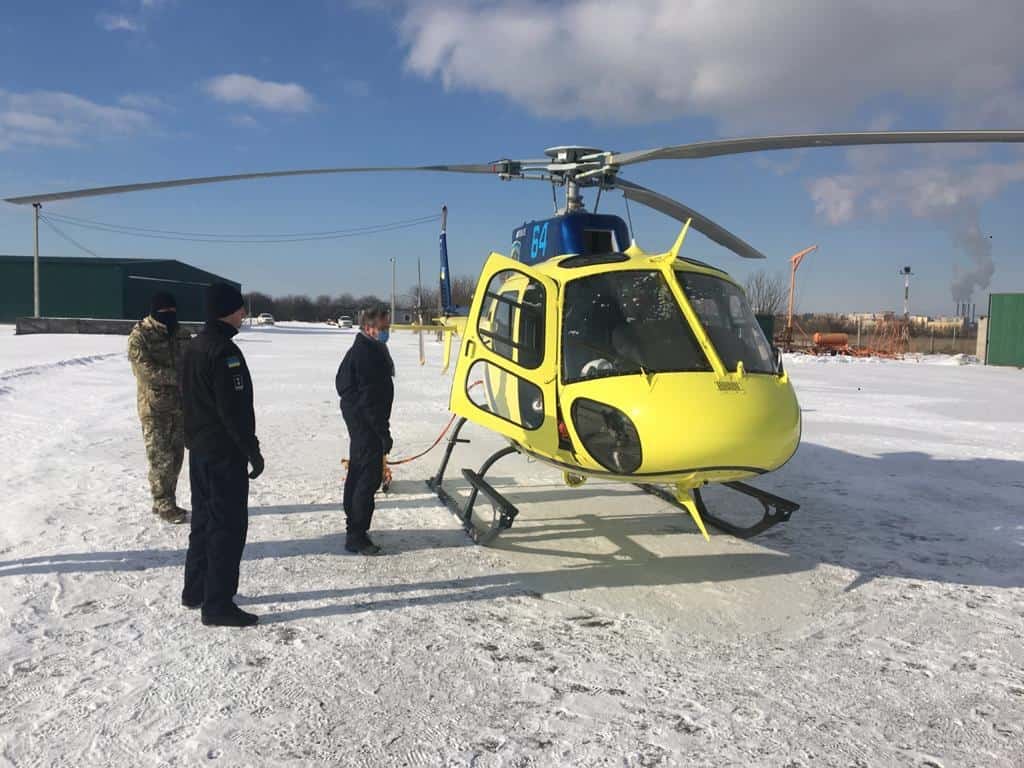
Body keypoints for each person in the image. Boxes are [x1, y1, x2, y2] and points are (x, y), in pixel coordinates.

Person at [179, 283, 264, 627]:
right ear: (226, 311)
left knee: (203, 521)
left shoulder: (194, 346)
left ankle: (195, 589)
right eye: (239, 308)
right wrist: (252, 451)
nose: (244, 314)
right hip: (222, 454)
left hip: (199, 451)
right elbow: (235, 411)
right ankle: (217, 604)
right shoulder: (224, 352)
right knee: (226, 527)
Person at [127, 291, 193, 524]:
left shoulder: (182, 334)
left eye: (173, 313)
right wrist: (181, 377)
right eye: (165, 313)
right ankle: (163, 502)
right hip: (154, 409)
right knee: (160, 457)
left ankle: (166, 499)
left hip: (180, 406)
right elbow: (146, 371)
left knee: (176, 457)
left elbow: (194, 362)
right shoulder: (140, 336)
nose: (170, 317)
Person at [336, 306, 394, 556]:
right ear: (368, 328)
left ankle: (355, 529)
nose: (385, 332)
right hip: (366, 425)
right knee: (366, 479)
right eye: (382, 328)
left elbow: (343, 383)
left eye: (387, 328)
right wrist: (383, 433)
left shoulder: (369, 348)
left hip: (363, 422)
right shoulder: (364, 353)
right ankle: (356, 535)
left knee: (359, 473)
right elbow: (369, 399)